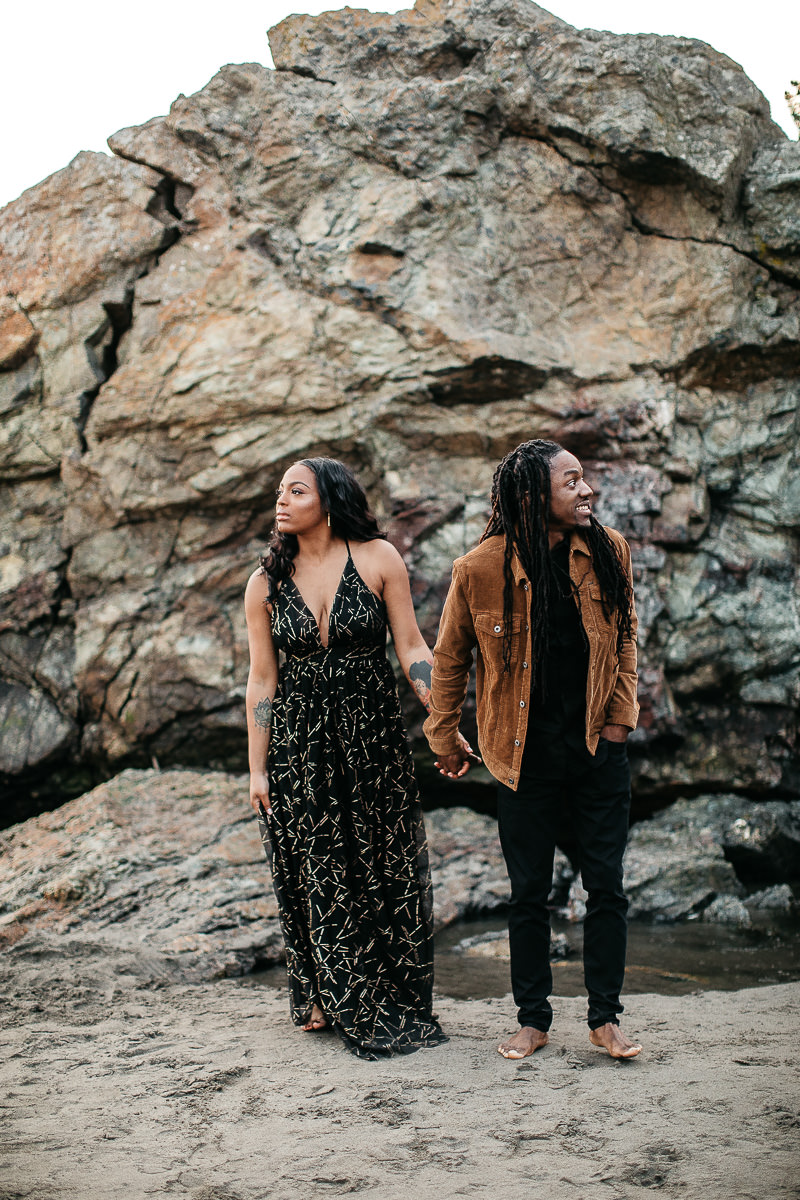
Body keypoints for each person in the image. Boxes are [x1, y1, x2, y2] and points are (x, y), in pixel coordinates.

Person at [423, 440, 643, 1060]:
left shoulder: (608, 550)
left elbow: (626, 637)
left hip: (597, 748)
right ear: (531, 495)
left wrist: (620, 722)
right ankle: (532, 1020)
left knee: (607, 886)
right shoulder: (478, 569)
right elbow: (450, 660)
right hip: (520, 757)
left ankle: (605, 1018)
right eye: (571, 481)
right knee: (528, 893)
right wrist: (444, 736)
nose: (586, 489)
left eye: (584, 478)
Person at [244, 457, 458, 1059]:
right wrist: (257, 768)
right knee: (314, 865)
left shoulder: (378, 558)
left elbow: (413, 648)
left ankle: (386, 988)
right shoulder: (264, 583)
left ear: (330, 500)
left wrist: (443, 720)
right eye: (279, 491)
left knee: (379, 861)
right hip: (299, 745)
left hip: (372, 741)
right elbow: (262, 681)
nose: (281, 501)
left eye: (296, 491)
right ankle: (319, 992)